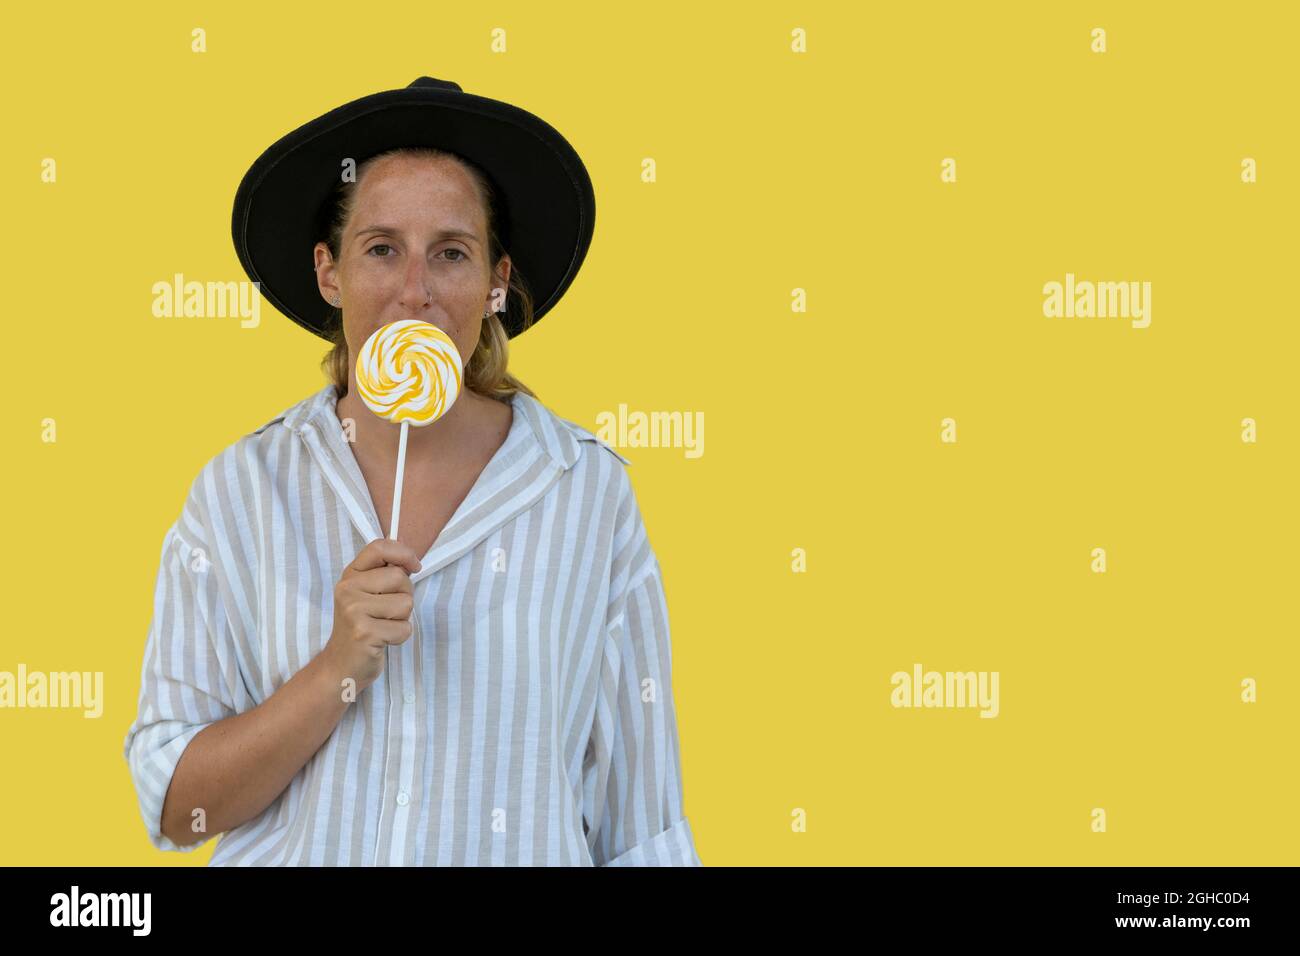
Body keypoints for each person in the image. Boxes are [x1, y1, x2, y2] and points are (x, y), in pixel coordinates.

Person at [122, 77, 701, 866]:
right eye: (382, 248)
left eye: (452, 254)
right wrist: (334, 671)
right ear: (330, 272)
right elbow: (178, 808)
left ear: (497, 282)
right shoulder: (240, 491)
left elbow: (643, 826)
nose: (415, 292)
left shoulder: (587, 493)